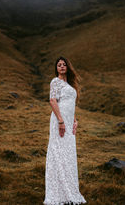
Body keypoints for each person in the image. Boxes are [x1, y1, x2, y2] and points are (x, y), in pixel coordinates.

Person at [43, 56, 86, 205]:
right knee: (58, 152)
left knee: (68, 153)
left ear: (68, 67)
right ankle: (57, 192)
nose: (61, 66)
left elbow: (70, 104)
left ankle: (69, 189)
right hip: (58, 121)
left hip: (68, 121)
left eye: (64, 64)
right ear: (56, 68)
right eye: (59, 65)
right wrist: (61, 121)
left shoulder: (70, 85)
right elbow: (53, 100)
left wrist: (74, 119)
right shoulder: (55, 82)